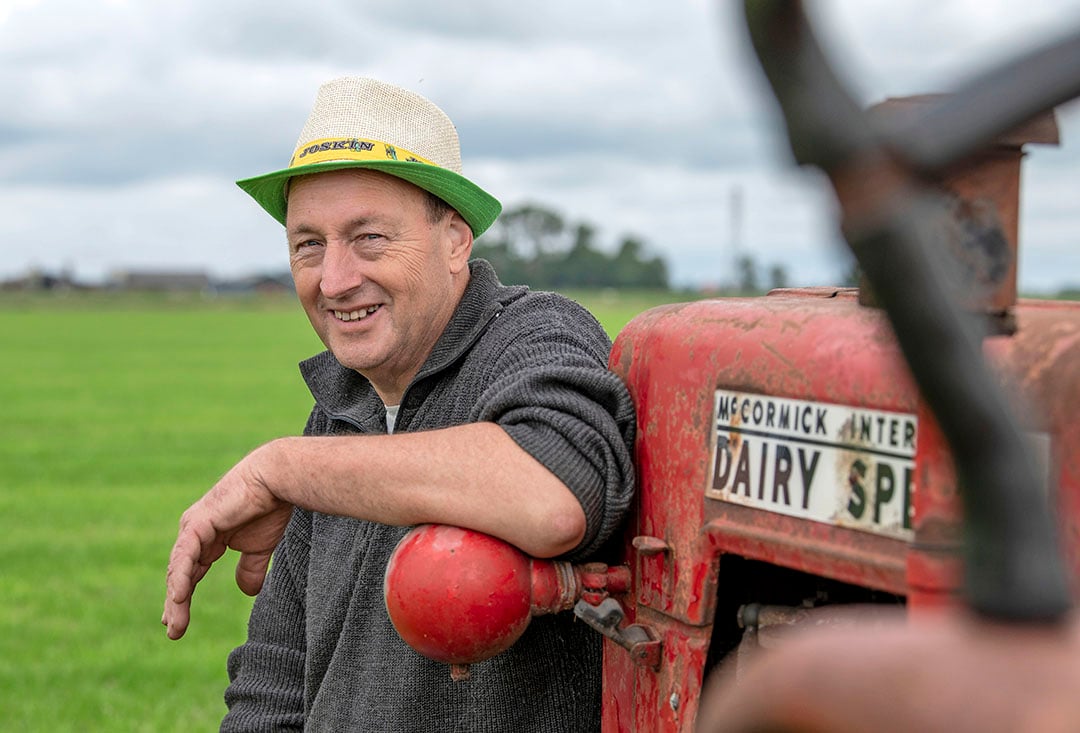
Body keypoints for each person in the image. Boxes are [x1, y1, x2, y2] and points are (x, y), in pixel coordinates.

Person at [161, 76, 636, 731]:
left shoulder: (536, 337)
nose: (334, 279)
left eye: (369, 238)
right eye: (309, 244)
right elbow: (271, 684)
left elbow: (555, 495)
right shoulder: (336, 413)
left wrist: (281, 467)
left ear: (455, 240)